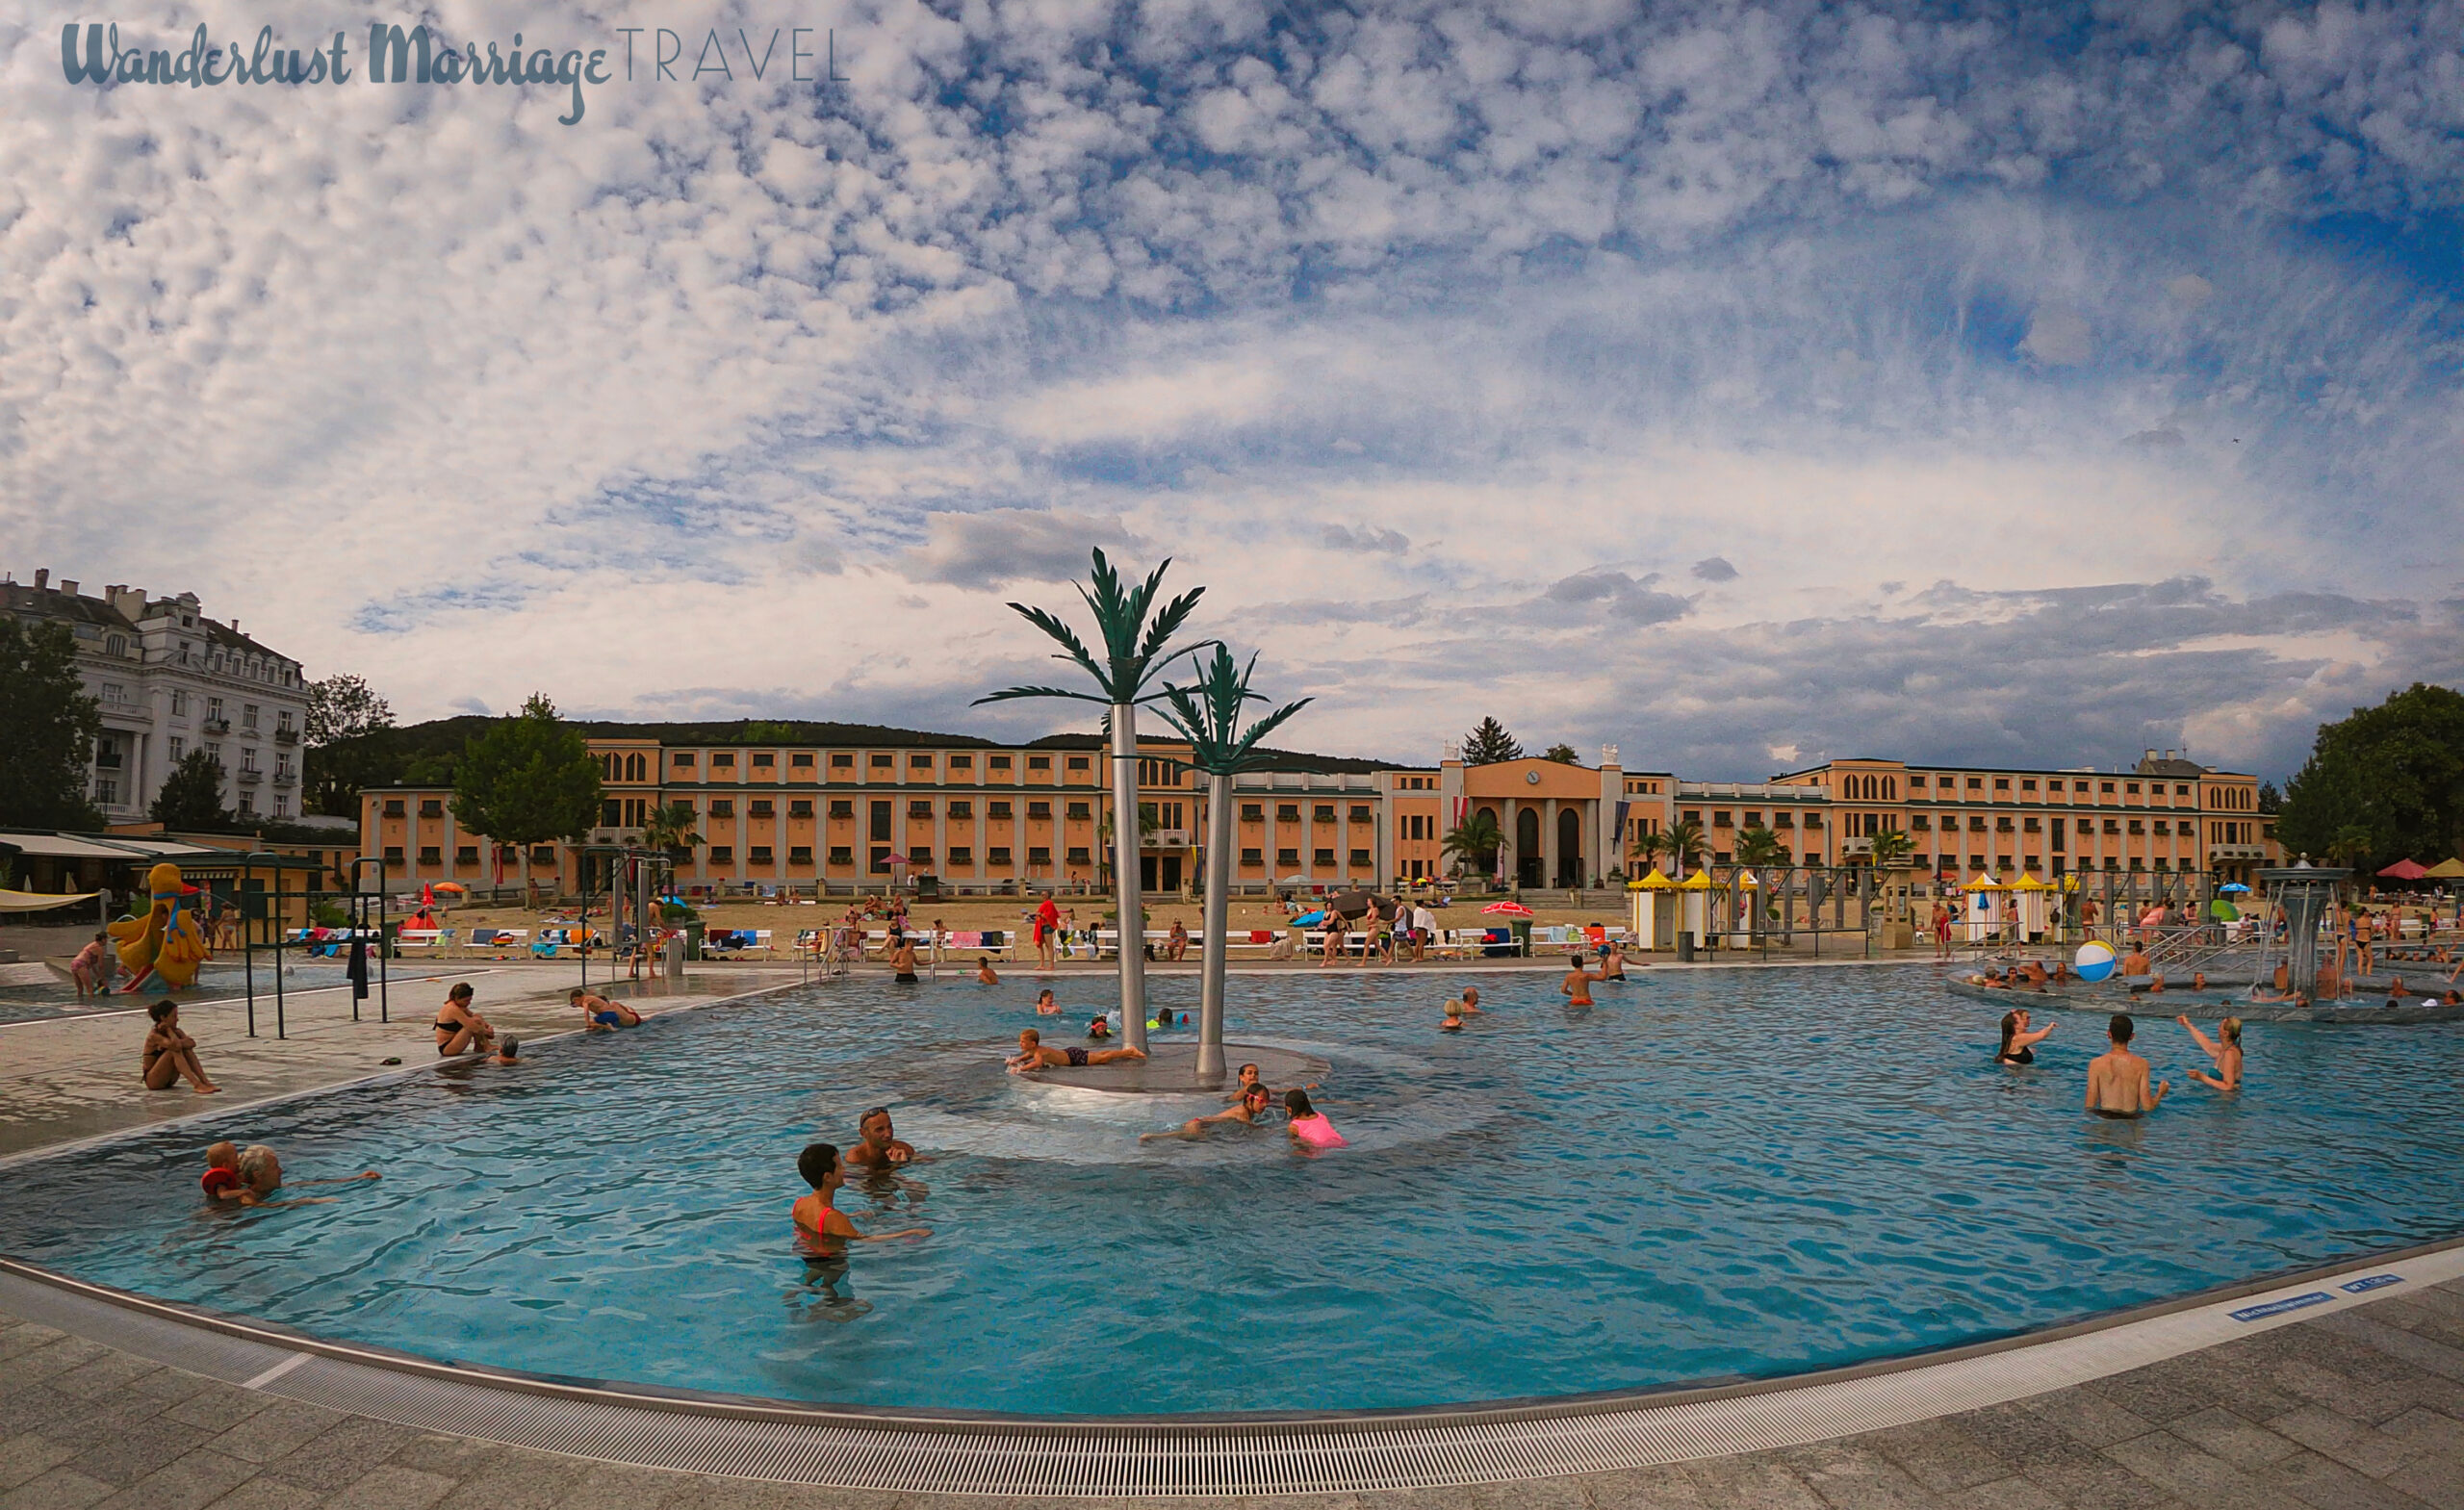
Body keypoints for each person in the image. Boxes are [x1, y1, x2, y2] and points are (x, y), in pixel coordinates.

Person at [793, 1142, 928, 1258]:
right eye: (840, 1166)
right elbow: (866, 1239)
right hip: (831, 1261)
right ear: (828, 1177)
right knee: (829, 1287)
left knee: (810, 1279)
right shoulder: (834, 1217)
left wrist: (852, 1215)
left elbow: (818, 1220)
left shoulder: (800, 1204)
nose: (844, 1169)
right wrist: (909, 1232)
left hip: (810, 1255)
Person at [225, 1144, 379, 1208]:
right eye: (275, 1167)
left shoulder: (268, 1187)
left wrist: (357, 1178)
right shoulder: (247, 1196)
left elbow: (306, 1184)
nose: (281, 1171)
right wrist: (307, 1202)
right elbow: (261, 1208)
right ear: (257, 1175)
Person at [2085, 1013, 2169, 1119]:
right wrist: (2161, 1093)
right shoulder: (2142, 1064)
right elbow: (2147, 1107)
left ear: (2109, 1034)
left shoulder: (2096, 1064)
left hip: (2105, 1118)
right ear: (2132, 1036)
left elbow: (2089, 1106)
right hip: (2132, 1119)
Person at [1142, 1084, 1275, 1142]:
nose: (1265, 1105)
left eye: (1267, 1101)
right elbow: (1253, 1129)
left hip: (1199, 1122)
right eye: (1261, 1100)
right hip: (1198, 1124)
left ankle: (1155, 1137)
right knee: (1187, 1137)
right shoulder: (1242, 1113)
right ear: (1249, 1099)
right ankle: (1153, 1137)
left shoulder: (1245, 1111)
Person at [141, 1001, 218, 1093]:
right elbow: (176, 1046)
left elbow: (192, 1043)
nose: (177, 1019)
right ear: (163, 1018)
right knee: (173, 1050)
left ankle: (205, 1081)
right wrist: (169, 1031)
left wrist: (177, 1039)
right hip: (154, 1081)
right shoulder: (154, 1035)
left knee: (186, 1049)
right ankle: (196, 1084)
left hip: (170, 1079)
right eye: (174, 1016)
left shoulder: (177, 1031)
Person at [1007, 1028, 1146, 1071]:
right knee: (1100, 1055)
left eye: (1023, 1042)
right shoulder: (1033, 1050)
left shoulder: (1038, 1053)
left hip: (1074, 1058)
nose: (1020, 1044)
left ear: (1032, 1043)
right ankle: (1126, 1052)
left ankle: (1129, 1051)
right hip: (1070, 1053)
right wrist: (1016, 1060)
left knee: (1103, 1058)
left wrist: (1020, 1069)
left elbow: (1037, 1063)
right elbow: (1026, 1056)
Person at [2178, 1015, 2243, 1092]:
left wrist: (2202, 1077)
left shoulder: (2230, 1054)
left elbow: (2228, 1086)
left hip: (2226, 1100)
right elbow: (2208, 1046)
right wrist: (2188, 1025)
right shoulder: (2225, 1049)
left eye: (2220, 1026)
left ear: (2225, 1033)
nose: (2217, 1028)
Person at [844, 1107, 920, 1168]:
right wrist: (897, 1165)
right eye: (879, 1129)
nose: (888, 1134)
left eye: (889, 1127)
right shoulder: (856, 1157)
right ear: (863, 1133)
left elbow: (928, 1163)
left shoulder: (901, 1148)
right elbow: (864, 1184)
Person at [432, 984, 495, 1056]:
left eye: (470, 1000)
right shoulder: (452, 1009)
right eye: (466, 1000)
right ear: (457, 998)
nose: (469, 1003)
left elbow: (475, 1016)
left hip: (454, 1042)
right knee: (474, 1023)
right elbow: (473, 1027)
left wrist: (488, 1026)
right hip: (447, 1048)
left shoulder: (460, 1007)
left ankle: (481, 1046)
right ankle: (486, 1046)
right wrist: (488, 1033)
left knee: (477, 1017)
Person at [1284, 1088, 1348, 1151]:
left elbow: (1294, 1143)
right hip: (1339, 1141)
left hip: (1319, 1146)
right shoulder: (1320, 1115)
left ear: (1289, 1109)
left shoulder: (1294, 1126)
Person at [573, 987, 642, 1032]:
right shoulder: (614, 1004)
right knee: (629, 1009)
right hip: (635, 1018)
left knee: (592, 1023)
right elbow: (627, 1008)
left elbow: (586, 1012)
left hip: (628, 1023)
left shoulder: (586, 1000)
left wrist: (588, 1025)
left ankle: (608, 1027)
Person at [70, 931, 116, 997]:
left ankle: (79, 1005)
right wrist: (103, 980)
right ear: (103, 939)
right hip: (81, 964)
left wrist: (98, 977)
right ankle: (92, 1006)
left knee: (80, 989)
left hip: (74, 963)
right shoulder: (99, 949)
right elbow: (101, 965)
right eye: (106, 939)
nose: (106, 941)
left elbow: (92, 964)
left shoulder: (92, 945)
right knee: (90, 989)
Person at [1034, 894, 1060, 969]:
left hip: (1047, 927)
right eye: (1041, 894)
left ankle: (1051, 965)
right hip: (1041, 926)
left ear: (1048, 896)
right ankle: (1041, 964)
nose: (1042, 896)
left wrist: (1040, 914)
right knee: (1039, 945)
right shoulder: (1044, 904)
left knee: (1049, 946)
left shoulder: (1049, 903)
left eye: (1044, 895)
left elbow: (1048, 915)